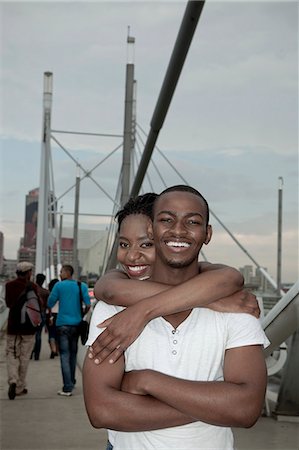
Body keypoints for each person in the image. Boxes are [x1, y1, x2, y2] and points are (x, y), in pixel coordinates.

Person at [83, 187, 268, 450]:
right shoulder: (111, 309)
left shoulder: (237, 308)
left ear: (207, 234)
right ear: (155, 230)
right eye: (167, 220)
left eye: (192, 222)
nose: (178, 231)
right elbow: (103, 411)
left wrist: (146, 381)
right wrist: (215, 405)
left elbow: (246, 409)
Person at [89, 193, 259, 366]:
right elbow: (108, 290)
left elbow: (232, 277)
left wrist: (142, 310)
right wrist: (209, 301)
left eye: (146, 244)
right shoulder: (118, 278)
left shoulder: (205, 272)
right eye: (124, 244)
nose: (132, 256)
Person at [48, 264, 91, 396]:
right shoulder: (81, 286)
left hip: (62, 325)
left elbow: (50, 303)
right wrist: (81, 314)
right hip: (76, 324)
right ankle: (71, 381)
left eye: (61, 272)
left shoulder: (59, 286)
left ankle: (67, 387)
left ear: (67, 272)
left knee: (65, 355)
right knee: (73, 354)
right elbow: (88, 304)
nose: (60, 274)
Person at [5, 261, 40, 400]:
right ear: (29, 273)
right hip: (29, 328)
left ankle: (12, 380)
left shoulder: (9, 285)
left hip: (13, 327)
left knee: (12, 354)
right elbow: (38, 306)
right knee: (24, 357)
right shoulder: (32, 287)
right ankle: (20, 386)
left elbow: (8, 303)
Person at [31, 273, 49, 360]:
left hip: (31, 314)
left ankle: (30, 353)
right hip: (41, 314)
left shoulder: (31, 290)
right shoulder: (45, 292)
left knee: (31, 335)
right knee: (38, 335)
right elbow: (48, 305)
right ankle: (37, 355)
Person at [46, 278, 59, 359]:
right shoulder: (61, 294)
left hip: (50, 315)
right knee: (58, 334)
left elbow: (48, 306)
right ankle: (56, 350)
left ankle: (53, 350)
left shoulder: (49, 294)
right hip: (59, 315)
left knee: (51, 333)